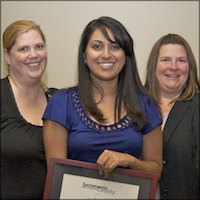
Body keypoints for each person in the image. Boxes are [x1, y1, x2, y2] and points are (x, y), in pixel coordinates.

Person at [43, 16, 163, 180]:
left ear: (125, 56)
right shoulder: (61, 103)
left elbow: (156, 170)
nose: (106, 54)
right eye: (97, 46)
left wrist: (129, 161)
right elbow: (56, 175)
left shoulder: (146, 104)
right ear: (84, 55)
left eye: (115, 46)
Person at [1, 20, 57, 199]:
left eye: (39, 46)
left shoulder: (59, 101)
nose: (34, 55)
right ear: (7, 56)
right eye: (23, 49)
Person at [145, 33, 200, 199]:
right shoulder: (133, 105)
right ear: (154, 65)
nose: (173, 66)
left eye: (181, 60)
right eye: (166, 60)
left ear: (189, 67)